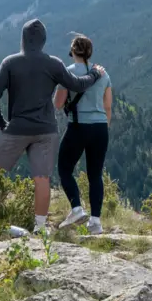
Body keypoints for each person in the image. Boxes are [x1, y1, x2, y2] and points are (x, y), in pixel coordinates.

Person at [0, 18, 105, 235]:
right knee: (42, 177)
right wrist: (94, 74)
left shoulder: (11, 62)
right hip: (46, 130)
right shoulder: (54, 63)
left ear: (24, 39)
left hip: (17, 128)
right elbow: (76, 83)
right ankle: (41, 227)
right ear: (43, 40)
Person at [53, 34, 113, 236]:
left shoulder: (67, 73)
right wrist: (104, 126)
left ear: (72, 51)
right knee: (95, 174)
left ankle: (77, 209)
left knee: (64, 168)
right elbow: (108, 106)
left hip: (78, 126)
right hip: (100, 128)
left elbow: (58, 104)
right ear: (90, 52)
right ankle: (95, 223)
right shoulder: (103, 74)